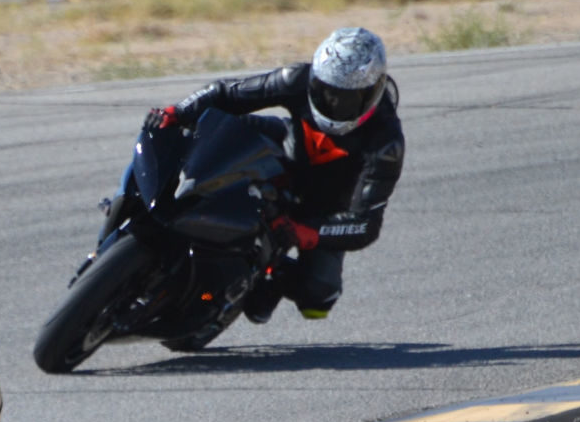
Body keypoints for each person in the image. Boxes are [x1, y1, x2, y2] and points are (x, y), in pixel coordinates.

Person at [141, 27, 404, 325]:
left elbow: (366, 225)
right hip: (286, 151)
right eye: (324, 90)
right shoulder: (296, 79)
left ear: (372, 93)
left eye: (345, 98)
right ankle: (144, 206)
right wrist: (178, 111)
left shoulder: (386, 142)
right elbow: (226, 93)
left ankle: (268, 276)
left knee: (318, 296)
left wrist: (309, 233)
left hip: (323, 209)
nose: (331, 101)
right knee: (205, 127)